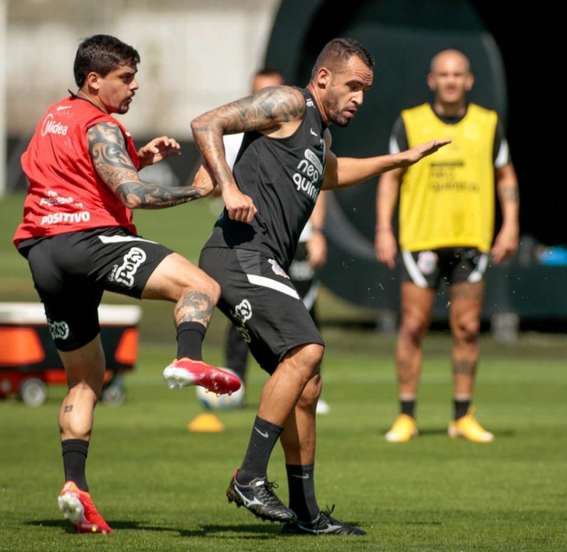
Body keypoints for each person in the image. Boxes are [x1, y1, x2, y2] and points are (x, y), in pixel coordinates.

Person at [190, 38, 448, 535]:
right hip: (239, 254)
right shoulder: (288, 103)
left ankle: (305, 516)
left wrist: (397, 161)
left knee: (306, 385)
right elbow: (207, 123)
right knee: (308, 348)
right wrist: (228, 185)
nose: (359, 98)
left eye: (366, 91)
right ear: (324, 78)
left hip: (258, 260)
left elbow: (329, 174)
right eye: (353, 86)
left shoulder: (317, 136)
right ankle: (248, 476)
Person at [12, 35, 240, 534]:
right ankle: (186, 355)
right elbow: (131, 196)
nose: (134, 87)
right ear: (94, 80)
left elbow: (78, 172)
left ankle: (75, 487)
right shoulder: (102, 124)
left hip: (44, 254)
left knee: (85, 379)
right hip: (88, 241)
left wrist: (138, 156)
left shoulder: (53, 118)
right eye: (126, 78)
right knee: (200, 287)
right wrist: (201, 188)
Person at [375, 49, 520, 444]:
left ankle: (463, 414)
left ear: (470, 81)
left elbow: (505, 175)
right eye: (444, 74)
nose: (451, 80)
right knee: (413, 326)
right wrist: (383, 230)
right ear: (431, 80)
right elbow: (389, 177)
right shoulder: (410, 122)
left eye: (458, 74)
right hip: (420, 238)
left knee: (468, 328)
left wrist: (510, 226)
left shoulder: (488, 124)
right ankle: (406, 414)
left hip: (471, 238)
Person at [219, 69, 331, 415]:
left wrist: (319, 233)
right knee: (246, 314)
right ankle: (235, 382)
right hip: (251, 238)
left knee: (304, 311)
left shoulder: (305, 127)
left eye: (274, 91)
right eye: (260, 93)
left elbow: (319, 182)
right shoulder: (236, 134)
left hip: (297, 237)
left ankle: (308, 385)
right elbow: (210, 171)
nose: (269, 100)